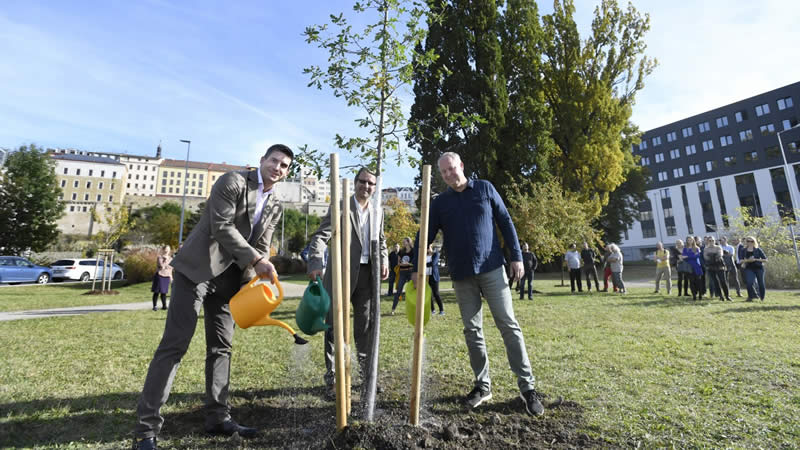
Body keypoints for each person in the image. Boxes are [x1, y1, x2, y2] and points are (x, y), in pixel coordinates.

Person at [132, 144, 293, 450]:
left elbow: (263, 244)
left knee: (222, 348)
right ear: (262, 160)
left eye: (284, 165)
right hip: (196, 270)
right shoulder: (232, 181)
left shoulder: (275, 205)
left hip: (230, 281)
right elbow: (222, 227)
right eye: (274, 160)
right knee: (174, 346)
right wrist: (257, 261)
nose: (278, 167)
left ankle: (218, 418)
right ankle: (145, 430)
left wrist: (256, 278)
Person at [412, 152, 545, 416]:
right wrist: (416, 267)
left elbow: (505, 221)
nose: (449, 175)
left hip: (493, 268)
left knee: (508, 325)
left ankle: (527, 389)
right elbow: (424, 234)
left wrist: (516, 257)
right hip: (462, 274)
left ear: (461, 165)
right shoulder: (440, 203)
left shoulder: (484, 188)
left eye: (452, 168)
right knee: (472, 331)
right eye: (444, 172)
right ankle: (483, 386)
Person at [307, 167, 389, 396]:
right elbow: (321, 236)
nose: (367, 186)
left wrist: (383, 260)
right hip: (340, 274)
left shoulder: (378, 210)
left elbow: (380, 240)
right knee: (334, 326)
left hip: (367, 276)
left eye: (371, 183)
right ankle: (333, 379)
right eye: (363, 181)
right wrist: (315, 263)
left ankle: (366, 377)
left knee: (365, 327)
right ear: (355, 183)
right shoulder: (341, 206)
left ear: (375, 186)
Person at [390, 237, 414, 315]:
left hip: (410, 272)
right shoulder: (401, 251)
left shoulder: (413, 251)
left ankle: (412, 309)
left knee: (411, 292)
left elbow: (414, 263)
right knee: (398, 291)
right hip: (402, 272)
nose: (403, 243)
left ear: (408, 242)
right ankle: (393, 309)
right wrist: (401, 264)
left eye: (404, 242)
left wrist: (408, 264)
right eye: (402, 241)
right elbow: (398, 263)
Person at [703, 236, 731, 301]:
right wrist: (713, 255)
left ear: (714, 241)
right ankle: (721, 296)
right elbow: (706, 257)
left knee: (723, 281)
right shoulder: (706, 249)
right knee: (716, 282)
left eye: (712, 240)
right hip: (711, 266)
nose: (711, 242)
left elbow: (719, 255)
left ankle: (727, 296)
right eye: (710, 240)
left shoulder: (718, 247)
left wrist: (711, 255)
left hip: (719, 265)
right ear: (708, 241)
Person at [741, 236, 768, 302]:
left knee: (760, 283)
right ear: (746, 242)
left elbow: (766, 260)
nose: (750, 243)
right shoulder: (743, 250)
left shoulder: (758, 249)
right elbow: (741, 260)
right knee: (749, 282)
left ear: (754, 242)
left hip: (759, 268)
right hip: (749, 268)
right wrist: (748, 260)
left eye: (752, 241)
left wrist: (755, 259)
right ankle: (750, 297)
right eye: (748, 241)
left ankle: (762, 298)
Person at [150, 245, 172, 311]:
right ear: (163, 250)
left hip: (167, 276)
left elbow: (171, 268)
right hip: (159, 275)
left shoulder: (171, 259)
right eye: (166, 249)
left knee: (164, 292)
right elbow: (161, 266)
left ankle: (164, 306)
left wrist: (171, 277)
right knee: (156, 291)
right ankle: (155, 306)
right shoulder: (160, 257)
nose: (167, 251)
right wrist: (165, 260)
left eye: (168, 249)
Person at [426, 244, 444, 315]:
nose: (427, 249)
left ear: (431, 248)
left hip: (434, 277)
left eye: (428, 247)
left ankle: (442, 310)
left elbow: (433, 263)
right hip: (427, 276)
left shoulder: (436, 254)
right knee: (429, 294)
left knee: (436, 293)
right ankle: (432, 310)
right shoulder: (424, 256)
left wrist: (425, 263)